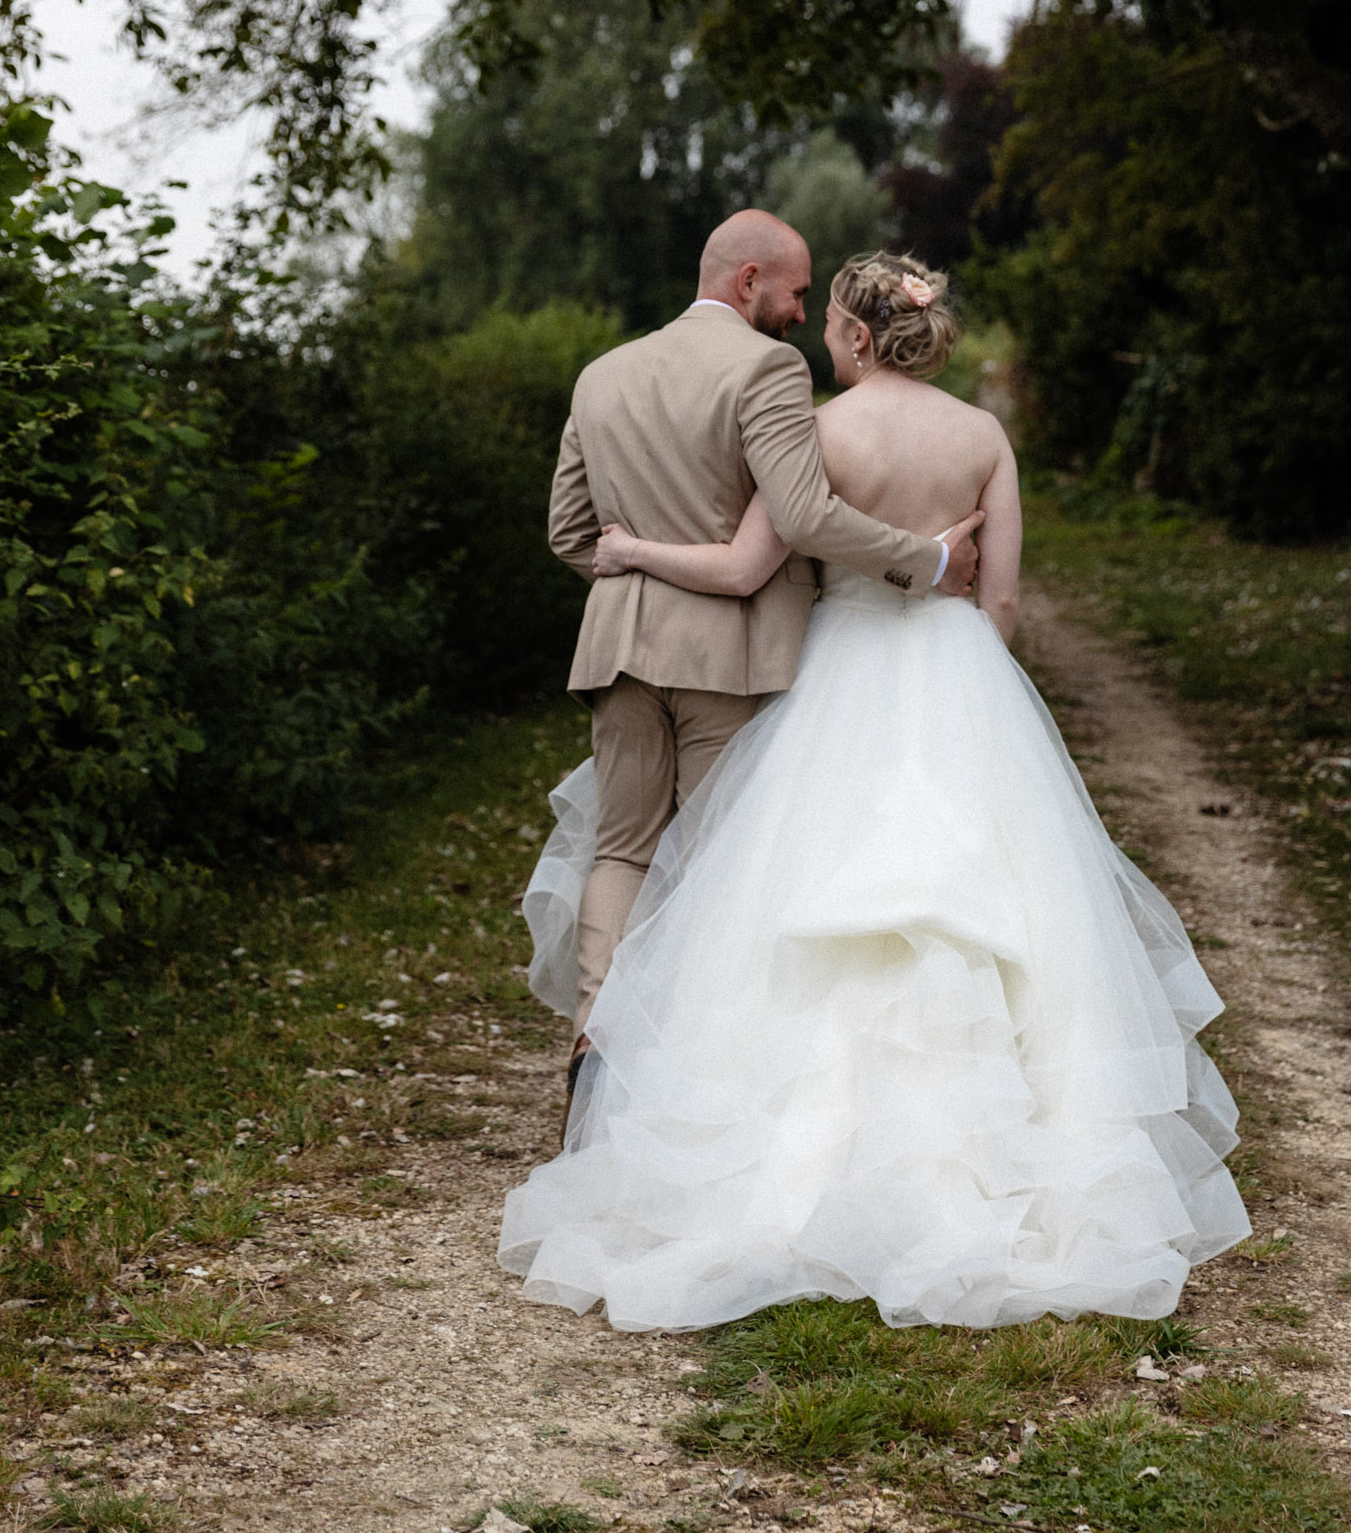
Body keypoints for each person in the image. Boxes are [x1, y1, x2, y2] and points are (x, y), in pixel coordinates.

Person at [499, 251, 1250, 1331]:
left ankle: (762, 1162)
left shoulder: (818, 429)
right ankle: (1015, 1160)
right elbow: (997, 602)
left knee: (782, 900)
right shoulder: (983, 439)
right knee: (1001, 913)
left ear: (852, 337)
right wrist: (967, 681)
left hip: (836, 674)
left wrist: (628, 549)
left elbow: (755, 566)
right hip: (960, 681)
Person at [540, 211, 985, 1118]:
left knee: (621, 848)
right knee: (712, 864)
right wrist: (928, 561)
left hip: (620, 647)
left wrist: (638, 570)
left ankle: (595, 1032)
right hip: (729, 654)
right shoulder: (766, 370)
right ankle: (681, 1079)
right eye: (791, 292)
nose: (796, 314)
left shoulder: (602, 375)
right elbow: (807, 515)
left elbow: (570, 536)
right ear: (748, 280)